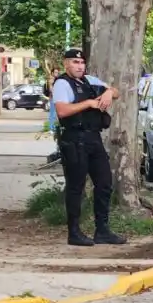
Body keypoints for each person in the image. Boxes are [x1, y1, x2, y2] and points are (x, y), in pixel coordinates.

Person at [52, 49, 126, 247]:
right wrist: (89, 103)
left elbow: (116, 92)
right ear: (66, 63)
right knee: (76, 186)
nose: (79, 66)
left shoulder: (89, 80)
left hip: (93, 138)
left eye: (82, 62)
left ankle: (102, 230)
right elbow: (62, 110)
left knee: (104, 183)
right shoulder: (62, 83)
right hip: (74, 139)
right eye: (75, 62)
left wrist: (109, 92)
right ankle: (74, 233)